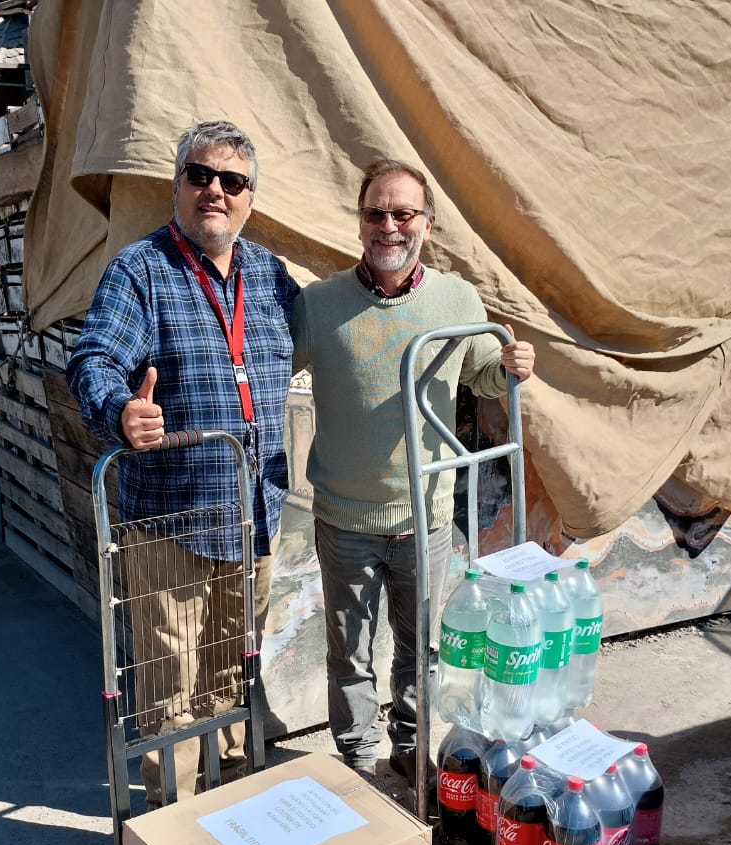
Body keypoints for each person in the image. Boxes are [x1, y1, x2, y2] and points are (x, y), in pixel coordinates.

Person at [65, 120, 298, 807]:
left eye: (232, 181)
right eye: (200, 176)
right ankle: (177, 832)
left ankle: (231, 806)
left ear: (250, 197)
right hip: (173, 522)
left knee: (233, 675)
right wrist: (119, 410)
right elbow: (95, 359)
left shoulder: (269, 275)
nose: (215, 192)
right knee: (172, 689)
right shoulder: (140, 270)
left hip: (254, 516)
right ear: (178, 186)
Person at [290, 157, 536, 782]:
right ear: (361, 223)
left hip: (425, 516)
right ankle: (356, 762)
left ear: (428, 224)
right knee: (349, 652)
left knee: (419, 649)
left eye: (404, 214)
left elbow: (483, 374)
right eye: (376, 213)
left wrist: (511, 364)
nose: (389, 227)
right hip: (345, 518)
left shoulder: (456, 298)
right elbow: (265, 367)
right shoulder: (319, 306)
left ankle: (409, 748)